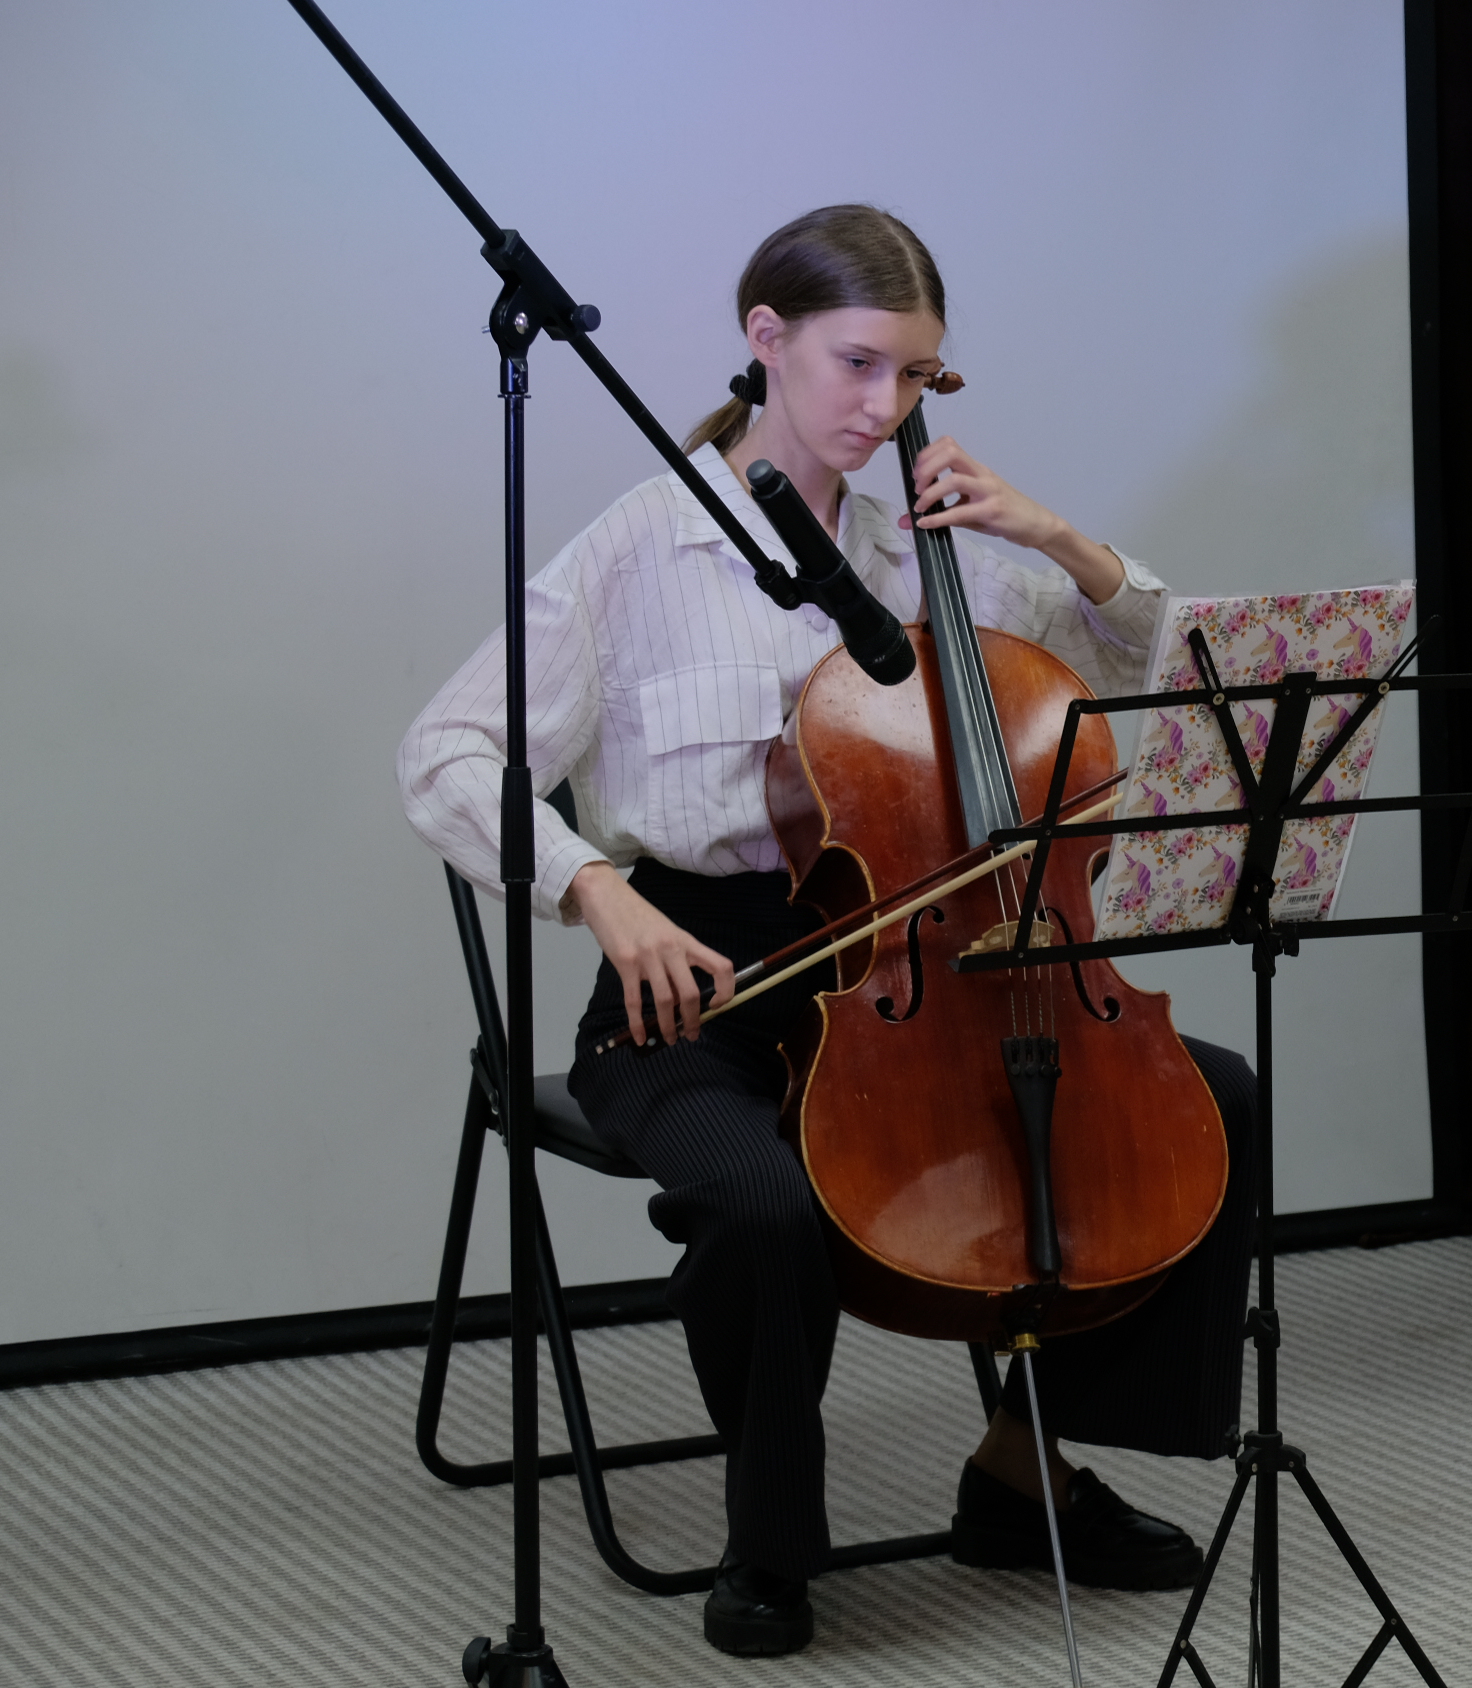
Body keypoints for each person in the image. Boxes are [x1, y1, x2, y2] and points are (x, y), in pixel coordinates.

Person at [400, 205, 1253, 1658]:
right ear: (767, 339)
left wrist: (1054, 536)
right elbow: (446, 752)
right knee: (763, 1202)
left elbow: (1161, 669)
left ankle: (1025, 1468)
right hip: (700, 990)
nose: (886, 407)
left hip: (933, 973)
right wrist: (597, 892)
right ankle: (771, 1536)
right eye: (859, 365)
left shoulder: (931, 549)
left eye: (916, 376)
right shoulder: (642, 549)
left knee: (1207, 1103)